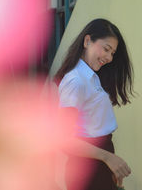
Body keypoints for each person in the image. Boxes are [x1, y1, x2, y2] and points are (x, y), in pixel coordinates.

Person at [55, 18, 134, 190]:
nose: (109, 57)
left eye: (112, 53)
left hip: (98, 165)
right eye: (106, 49)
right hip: (88, 170)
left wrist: (108, 161)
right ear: (87, 41)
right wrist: (107, 158)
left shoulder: (91, 78)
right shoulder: (76, 81)